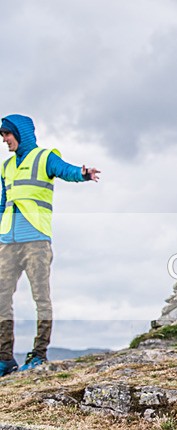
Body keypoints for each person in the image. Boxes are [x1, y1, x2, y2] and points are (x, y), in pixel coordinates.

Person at [0, 115, 100, 376]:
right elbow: (3, 203)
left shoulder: (45, 158)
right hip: (7, 241)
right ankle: (5, 359)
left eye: (7, 135)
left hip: (36, 240)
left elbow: (65, 170)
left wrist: (82, 174)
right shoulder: (6, 167)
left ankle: (39, 353)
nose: (4, 140)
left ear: (19, 133)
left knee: (40, 298)